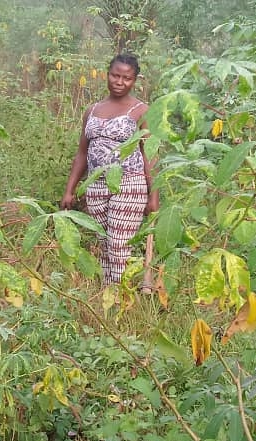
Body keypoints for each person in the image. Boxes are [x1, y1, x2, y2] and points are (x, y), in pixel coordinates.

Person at [60, 53, 159, 286]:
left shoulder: (141, 110)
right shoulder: (92, 111)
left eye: (127, 78)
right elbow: (82, 153)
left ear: (135, 81)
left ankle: (121, 297)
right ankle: (109, 296)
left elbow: (150, 154)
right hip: (96, 185)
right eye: (115, 75)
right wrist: (70, 190)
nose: (119, 82)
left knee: (119, 244)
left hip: (130, 183)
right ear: (107, 74)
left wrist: (153, 195)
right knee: (104, 244)